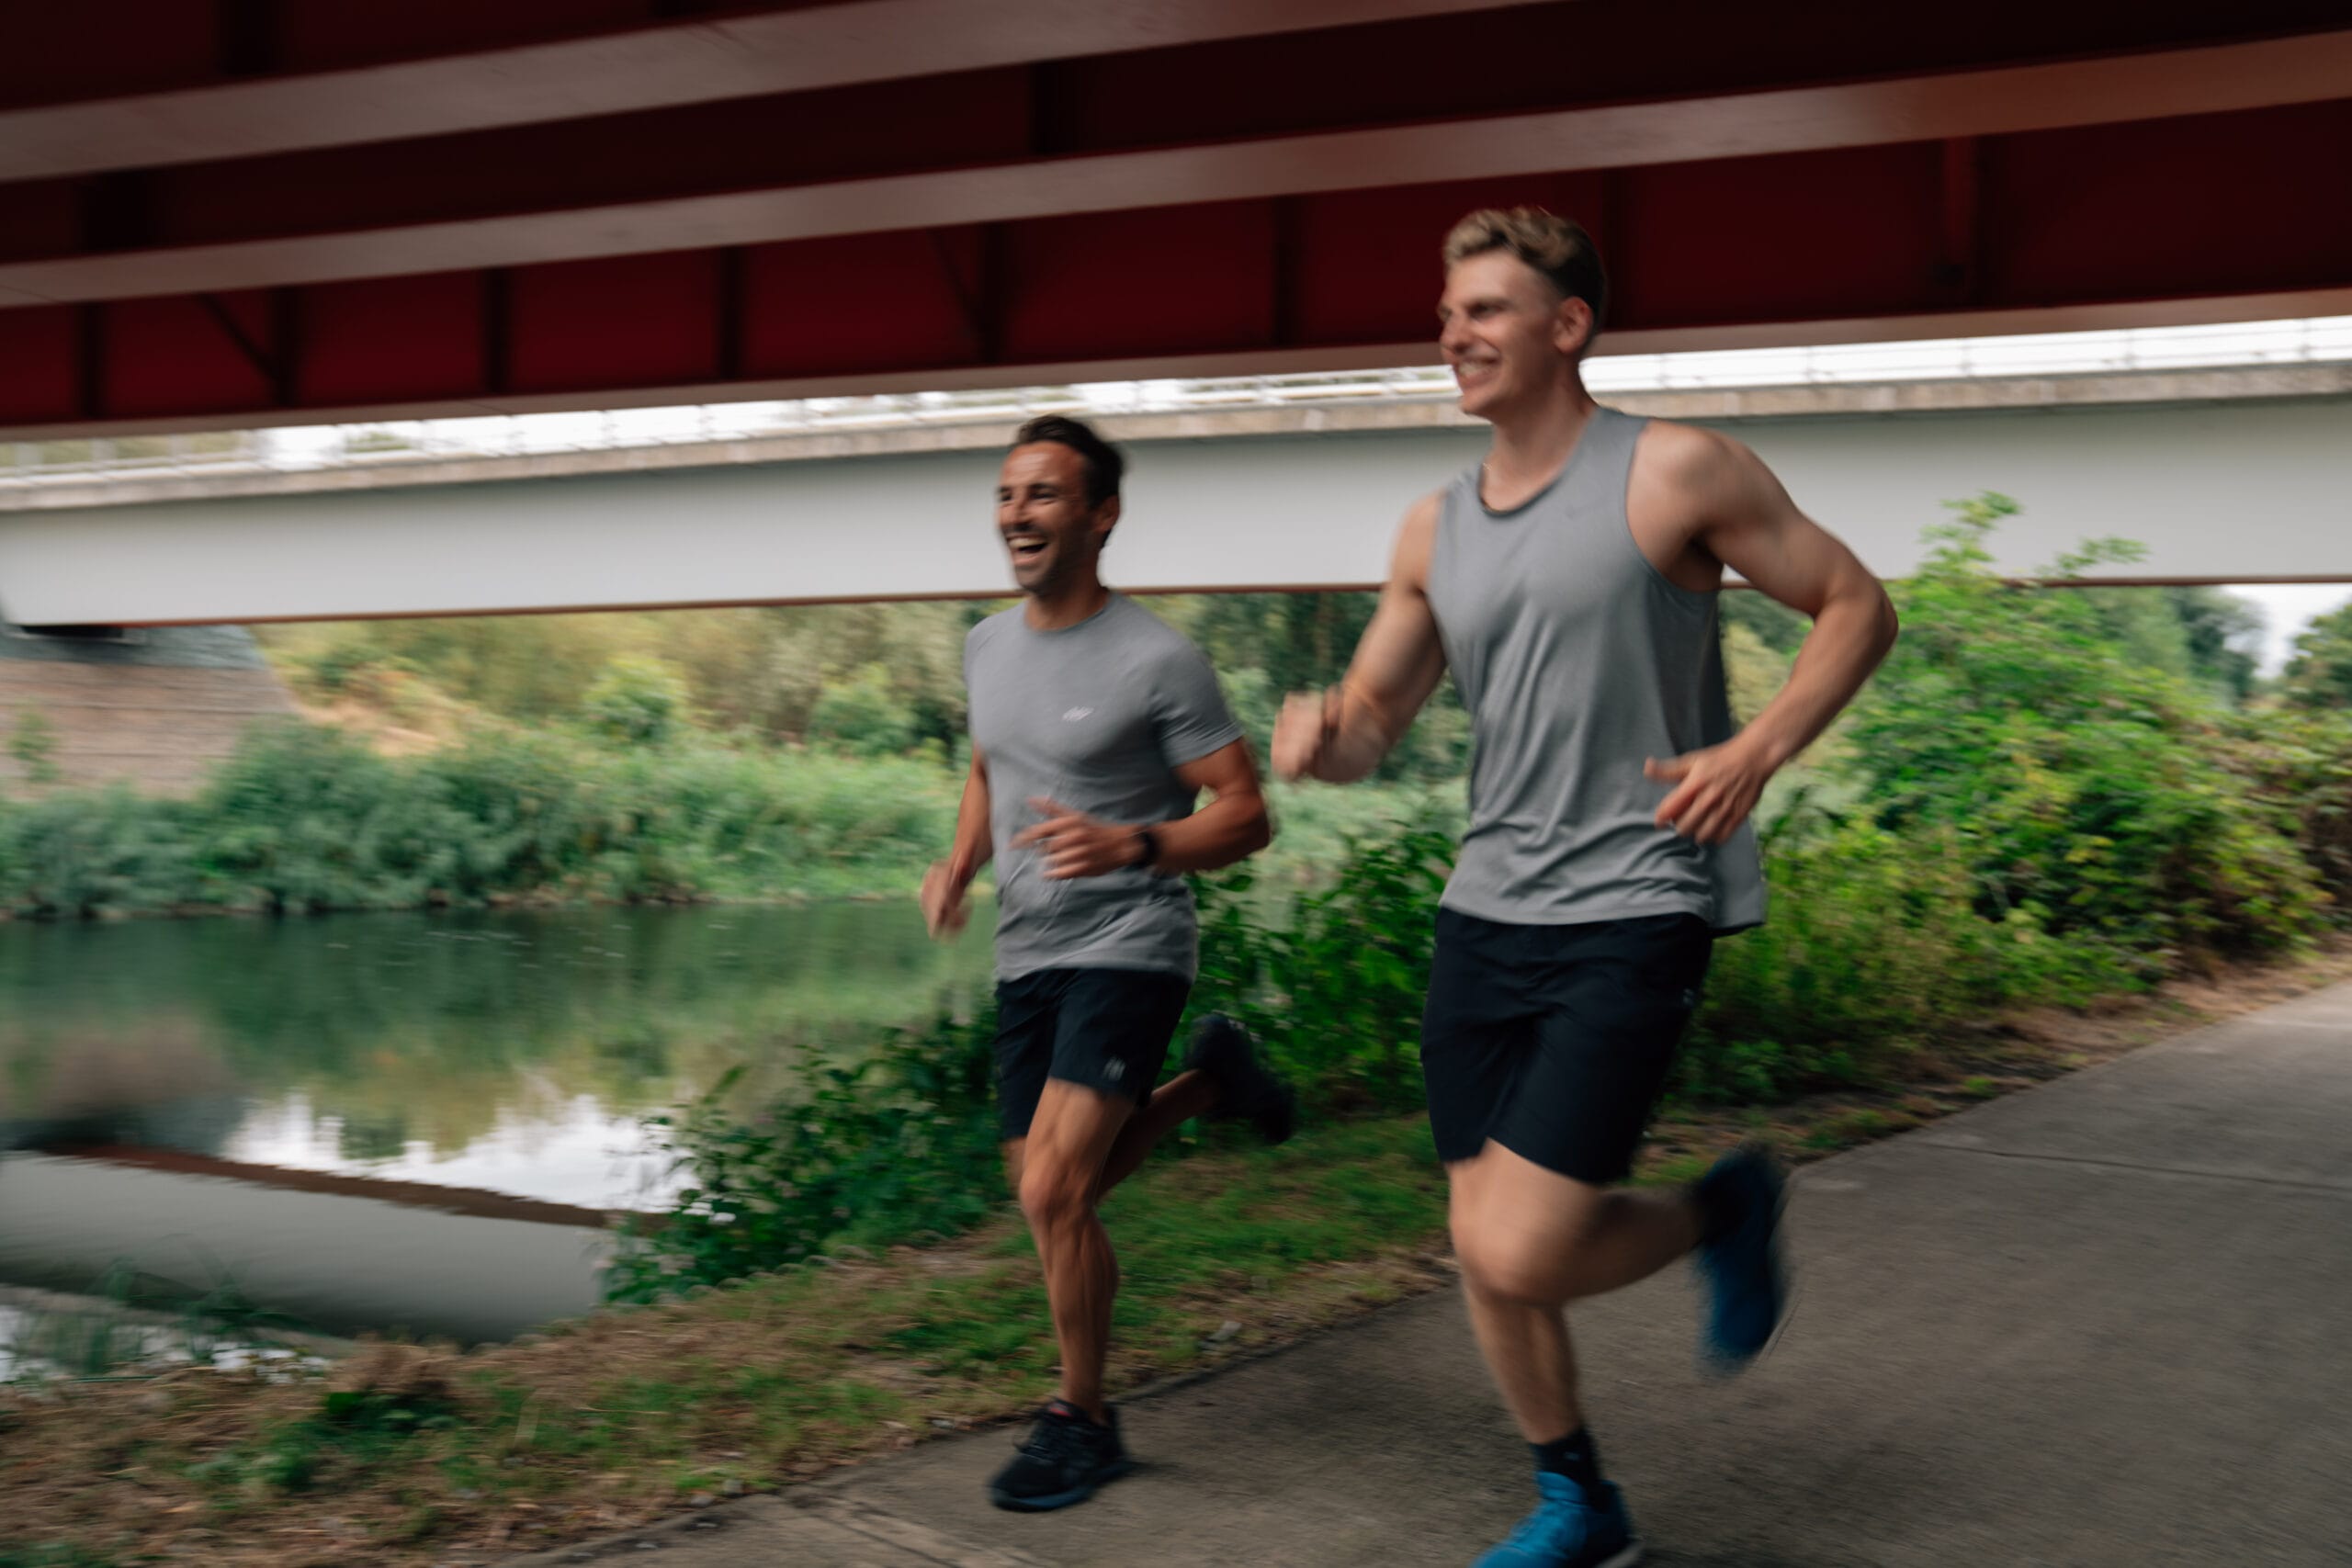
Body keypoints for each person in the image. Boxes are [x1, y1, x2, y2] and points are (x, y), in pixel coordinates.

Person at [1272, 209, 1899, 1568]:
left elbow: (1855, 602)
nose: (1456, 333)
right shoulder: (1433, 527)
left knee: (1528, 1245)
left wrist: (1756, 747)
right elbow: (1381, 710)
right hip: (1485, 909)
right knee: (1478, 1242)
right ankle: (1578, 1498)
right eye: (1448, 314)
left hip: (1634, 899)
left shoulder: (1677, 473)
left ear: (1567, 326)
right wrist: (1330, 738)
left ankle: (1715, 1212)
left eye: (1487, 309)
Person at [922, 413, 1296, 1514]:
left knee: (1052, 1190)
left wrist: (1133, 842)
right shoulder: (987, 643)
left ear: (1100, 514)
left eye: (1041, 495)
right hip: (1028, 946)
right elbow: (994, 765)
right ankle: (1216, 1084)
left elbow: (1246, 815)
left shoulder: (1156, 659)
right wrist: (958, 861)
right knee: (1044, 1188)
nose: (1016, 516)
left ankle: (1082, 1416)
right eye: (1005, 496)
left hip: (1131, 941)